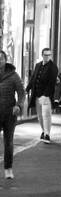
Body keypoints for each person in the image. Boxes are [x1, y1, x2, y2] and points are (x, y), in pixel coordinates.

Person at [0, 51, 26, 181]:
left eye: (1, 59)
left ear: (5, 60)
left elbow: (22, 93)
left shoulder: (13, 75)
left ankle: (8, 168)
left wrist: (19, 106)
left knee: (8, 142)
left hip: (9, 113)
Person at [26, 47, 59, 143]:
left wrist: (45, 95)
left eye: (49, 55)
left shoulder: (53, 67)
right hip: (36, 95)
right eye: (45, 55)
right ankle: (43, 131)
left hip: (46, 96)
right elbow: (33, 79)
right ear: (42, 55)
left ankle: (47, 134)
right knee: (40, 116)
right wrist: (27, 89)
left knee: (46, 115)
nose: (47, 57)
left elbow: (51, 83)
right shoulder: (38, 65)